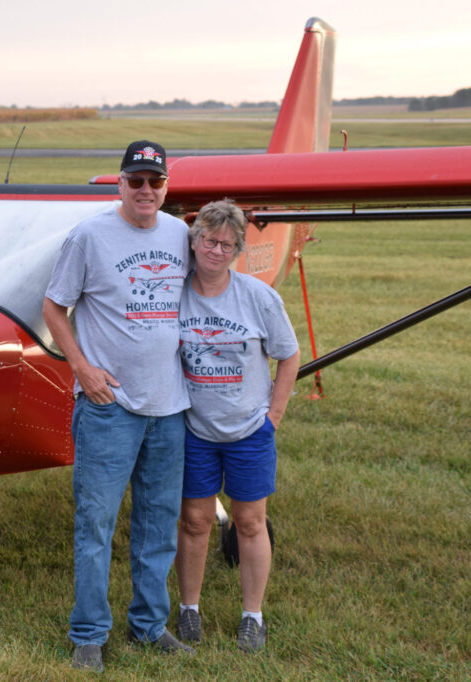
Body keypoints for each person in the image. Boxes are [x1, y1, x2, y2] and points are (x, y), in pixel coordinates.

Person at [43, 140, 194, 673]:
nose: (145, 190)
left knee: (159, 523)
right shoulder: (89, 235)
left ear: (166, 186)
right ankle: (89, 634)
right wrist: (82, 369)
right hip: (109, 406)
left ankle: (149, 625)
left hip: (169, 406)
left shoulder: (179, 234)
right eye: (136, 181)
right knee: (96, 524)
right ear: (121, 183)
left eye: (155, 181)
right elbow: (53, 307)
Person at [173, 199, 300, 653]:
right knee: (195, 520)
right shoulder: (175, 294)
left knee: (249, 521)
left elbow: (289, 355)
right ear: (194, 242)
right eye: (209, 241)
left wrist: (273, 417)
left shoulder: (258, 297)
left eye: (227, 245)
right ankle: (189, 608)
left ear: (237, 250)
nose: (216, 251)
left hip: (249, 430)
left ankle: (252, 616)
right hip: (195, 429)